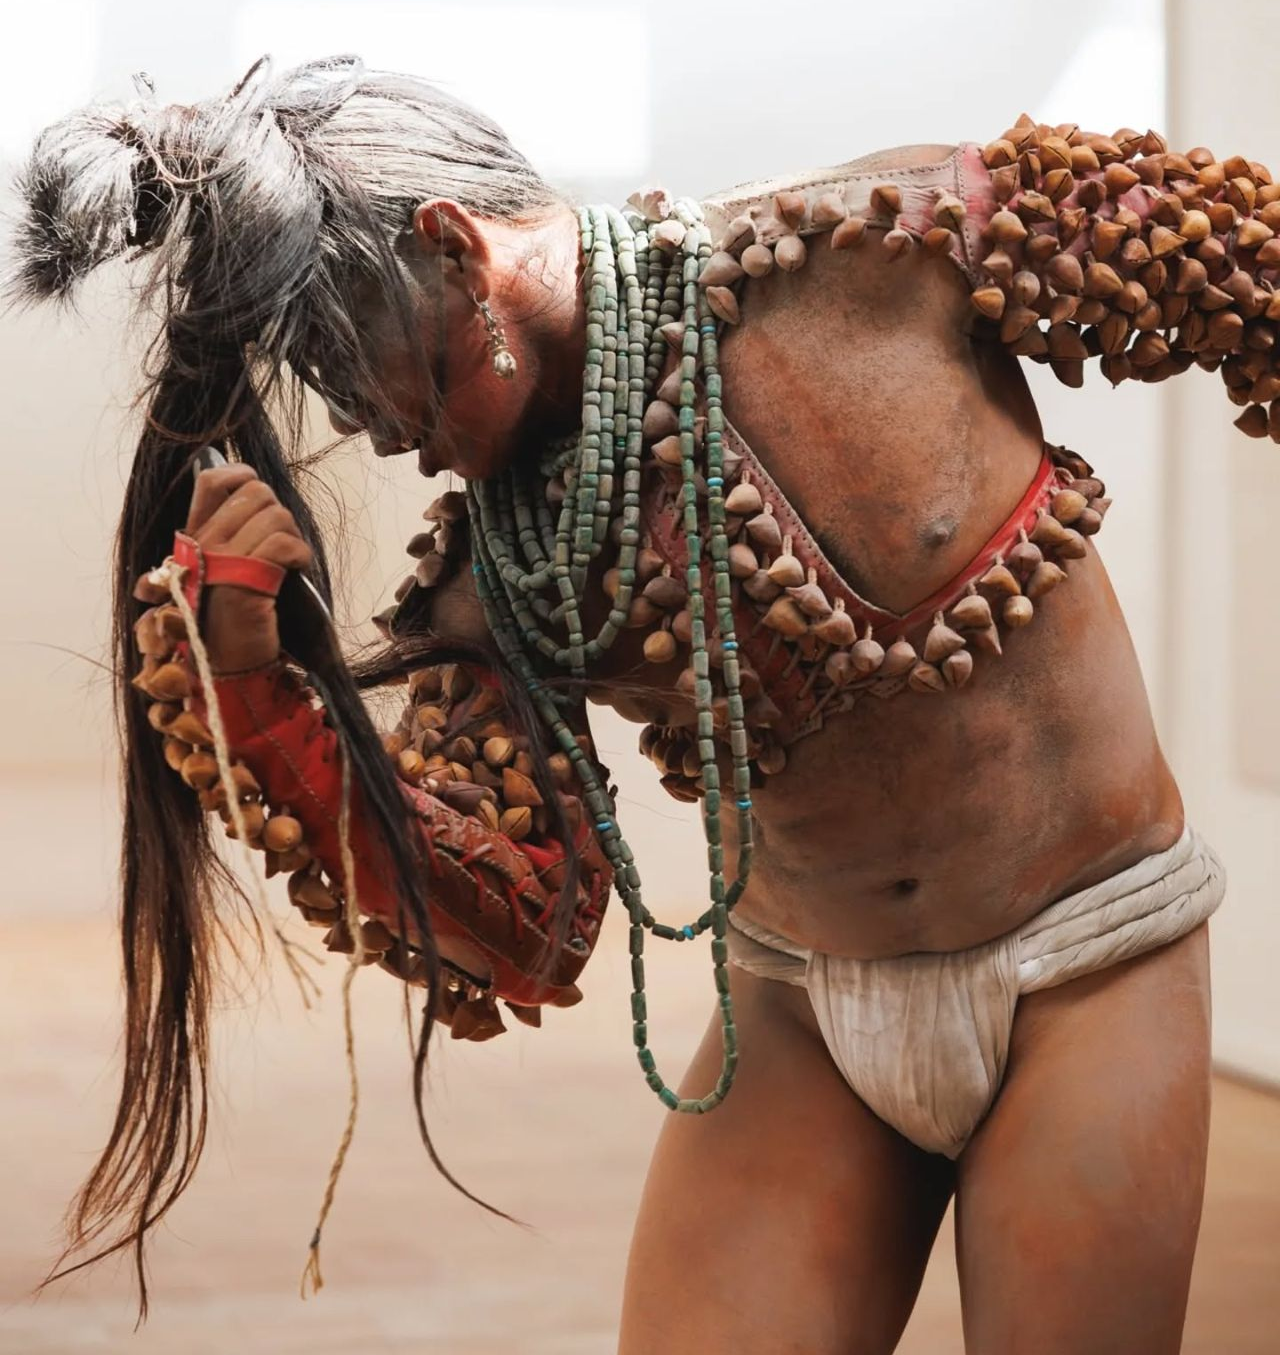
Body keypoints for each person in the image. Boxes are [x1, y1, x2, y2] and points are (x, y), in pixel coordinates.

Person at [15, 53, 1258, 1353]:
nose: (372, 431)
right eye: (326, 392)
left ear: (456, 249)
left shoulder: (887, 248)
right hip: (802, 1013)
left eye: (364, 370)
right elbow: (527, 934)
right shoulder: (499, 574)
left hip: (1088, 966)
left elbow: (1240, 264)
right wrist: (262, 707)